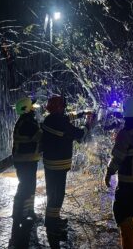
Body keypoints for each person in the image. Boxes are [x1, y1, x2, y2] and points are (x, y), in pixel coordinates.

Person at [41, 95, 92, 232]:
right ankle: (52, 222)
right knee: (57, 194)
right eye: (62, 107)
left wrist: (82, 113)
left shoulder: (49, 119)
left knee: (53, 192)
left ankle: (53, 218)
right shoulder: (60, 121)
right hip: (58, 165)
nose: (64, 109)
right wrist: (88, 124)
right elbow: (80, 134)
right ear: (59, 108)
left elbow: (67, 117)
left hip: (50, 163)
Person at [105, 97, 133, 249]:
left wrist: (109, 172)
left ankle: (129, 245)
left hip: (127, 181)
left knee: (123, 212)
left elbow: (117, 157)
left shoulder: (125, 134)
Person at [12, 97, 43, 226]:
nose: (33, 109)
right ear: (27, 109)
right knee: (25, 187)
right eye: (31, 107)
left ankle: (28, 211)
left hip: (26, 161)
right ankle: (19, 214)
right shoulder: (27, 123)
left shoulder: (25, 121)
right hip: (26, 162)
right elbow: (41, 134)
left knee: (29, 187)